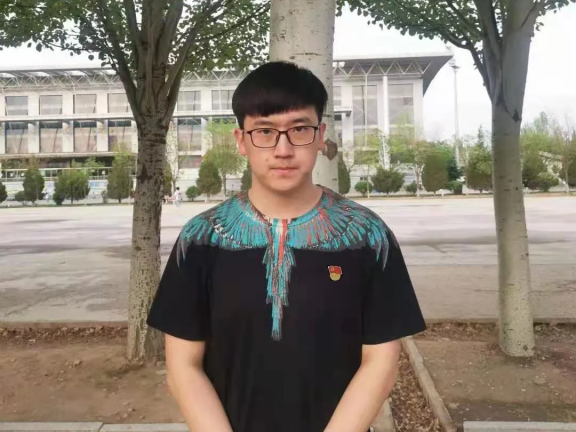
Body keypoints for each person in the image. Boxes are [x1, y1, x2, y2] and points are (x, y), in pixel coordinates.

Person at [147, 61, 426, 432]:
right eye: (264, 131)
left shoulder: (368, 237)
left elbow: (381, 361)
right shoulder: (201, 240)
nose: (282, 149)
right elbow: (183, 366)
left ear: (320, 135)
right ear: (241, 140)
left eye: (299, 129)